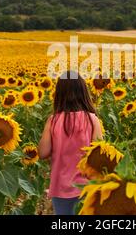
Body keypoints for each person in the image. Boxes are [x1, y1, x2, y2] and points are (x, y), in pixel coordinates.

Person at [38, 70, 103, 215]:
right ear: (83, 92)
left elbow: (42, 152)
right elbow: (99, 156)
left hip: (61, 188)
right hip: (87, 186)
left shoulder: (53, 121)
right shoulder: (92, 120)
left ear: (59, 94)